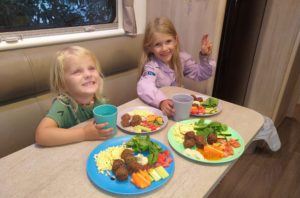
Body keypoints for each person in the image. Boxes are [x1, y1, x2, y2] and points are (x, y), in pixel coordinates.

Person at [35, 46, 114, 146]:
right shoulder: (63, 105)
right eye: (77, 71)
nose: (88, 74)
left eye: (91, 68)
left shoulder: (99, 100)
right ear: (62, 83)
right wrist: (84, 134)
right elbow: (41, 135)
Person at [137, 17, 214, 117]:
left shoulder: (182, 59)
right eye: (157, 44)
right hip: (158, 114)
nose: (164, 48)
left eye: (168, 41)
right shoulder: (151, 67)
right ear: (150, 47)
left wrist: (204, 56)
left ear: (175, 40)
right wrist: (161, 101)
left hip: (177, 111)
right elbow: (144, 85)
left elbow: (201, 75)